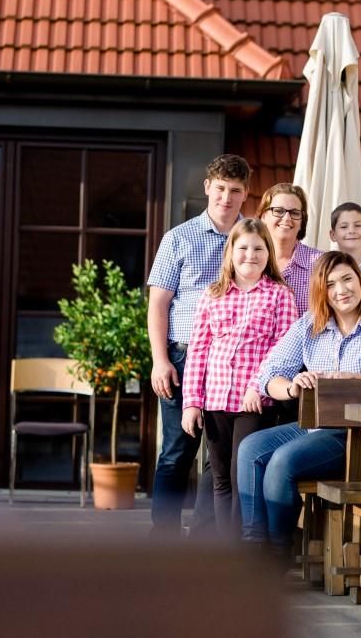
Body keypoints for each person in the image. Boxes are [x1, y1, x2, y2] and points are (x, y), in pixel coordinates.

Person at [236, 251, 361, 557]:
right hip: (316, 424)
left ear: (360, 281)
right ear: (321, 291)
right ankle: (254, 546)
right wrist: (293, 387)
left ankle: (277, 556)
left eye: (347, 279)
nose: (341, 290)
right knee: (251, 449)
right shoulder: (309, 325)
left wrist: (354, 378)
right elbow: (269, 375)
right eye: (331, 284)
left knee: (282, 461)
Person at [147, 154, 250, 538]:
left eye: (235, 190)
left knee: (220, 458)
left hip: (234, 362)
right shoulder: (178, 238)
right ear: (208, 187)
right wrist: (160, 360)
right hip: (183, 355)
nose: (226, 197)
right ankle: (165, 537)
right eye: (221, 188)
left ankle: (205, 539)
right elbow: (158, 303)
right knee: (177, 452)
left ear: (245, 194)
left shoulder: (254, 241)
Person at [180, 219, 298, 536]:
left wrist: (256, 386)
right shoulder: (212, 295)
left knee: (240, 475)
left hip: (255, 402)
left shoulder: (279, 295)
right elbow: (198, 352)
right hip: (215, 399)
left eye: (258, 248)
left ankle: (241, 551)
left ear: (268, 253)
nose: (250, 255)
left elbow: (283, 351)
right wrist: (191, 403)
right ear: (231, 251)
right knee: (219, 479)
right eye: (243, 247)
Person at [256, 183, 323, 316]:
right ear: (264, 216)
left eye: (294, 213)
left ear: (302, 221)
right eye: (279, 211)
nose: (287, 218)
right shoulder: (248, 260)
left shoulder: (321, 264)